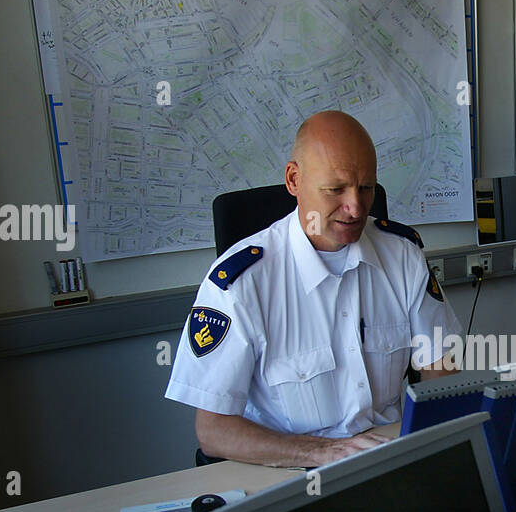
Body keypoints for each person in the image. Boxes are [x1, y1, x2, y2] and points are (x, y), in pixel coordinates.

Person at [165, 111, 460, 468]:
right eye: (335, 189)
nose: (355, 208)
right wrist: (316, 452)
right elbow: (213, 432)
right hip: (286, 470)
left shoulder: (402, 256)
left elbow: (442, 376)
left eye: (366, 188)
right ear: (294, 180)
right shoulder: (241, 283)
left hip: (386, 460)